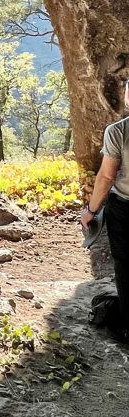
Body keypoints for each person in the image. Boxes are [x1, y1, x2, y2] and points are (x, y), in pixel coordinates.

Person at [81, 80, 129, 337]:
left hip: (124, 207)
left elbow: (106, 176)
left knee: (124, 264)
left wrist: (91, 210)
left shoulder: (118, 131)